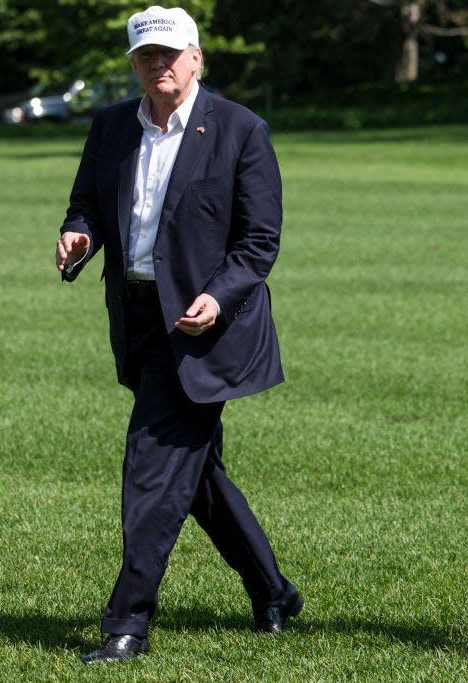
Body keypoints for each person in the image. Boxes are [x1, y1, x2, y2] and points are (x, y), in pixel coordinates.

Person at [54, 5, 302, 665]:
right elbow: (87, 201)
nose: (158, 65)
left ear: (196, 58)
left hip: (206, 329)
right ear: (133, 63)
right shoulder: (110, 126)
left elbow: (259, 240)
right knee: (192, 473)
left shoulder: (241, 130)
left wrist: (216, 299)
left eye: (170, 53)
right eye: (145, 56)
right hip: (137, 320)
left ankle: (127, 621)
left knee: (152, 469)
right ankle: (273, 589)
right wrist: (79, 232)